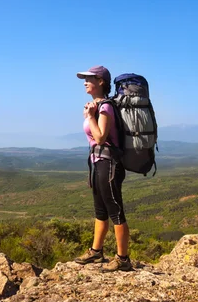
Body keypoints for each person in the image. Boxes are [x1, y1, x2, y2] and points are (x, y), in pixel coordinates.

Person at [73, 65, 131, 272]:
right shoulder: (96, 105)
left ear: (101, 82)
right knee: (100, 209)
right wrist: (90, 113)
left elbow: (100, 137)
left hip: (109, 164)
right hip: (97, 163)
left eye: (89, 78)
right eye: (84, 78)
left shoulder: (105, 107)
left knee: (115, 210)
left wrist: (90, 117)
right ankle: (96, 251)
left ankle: (123, 259)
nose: (85, 82)